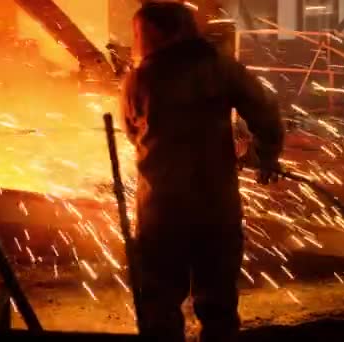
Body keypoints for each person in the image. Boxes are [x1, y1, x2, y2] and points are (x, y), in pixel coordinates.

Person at [120, 2, 284, 341]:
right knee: (219, 305)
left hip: (161, 210)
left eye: (140, 33)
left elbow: (131, 130)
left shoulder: (139, 78)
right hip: (216, 205)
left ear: (163, 32)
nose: (137, 41)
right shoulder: (220, 67)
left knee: (160, 306)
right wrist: (265, 152)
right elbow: (264, 110)